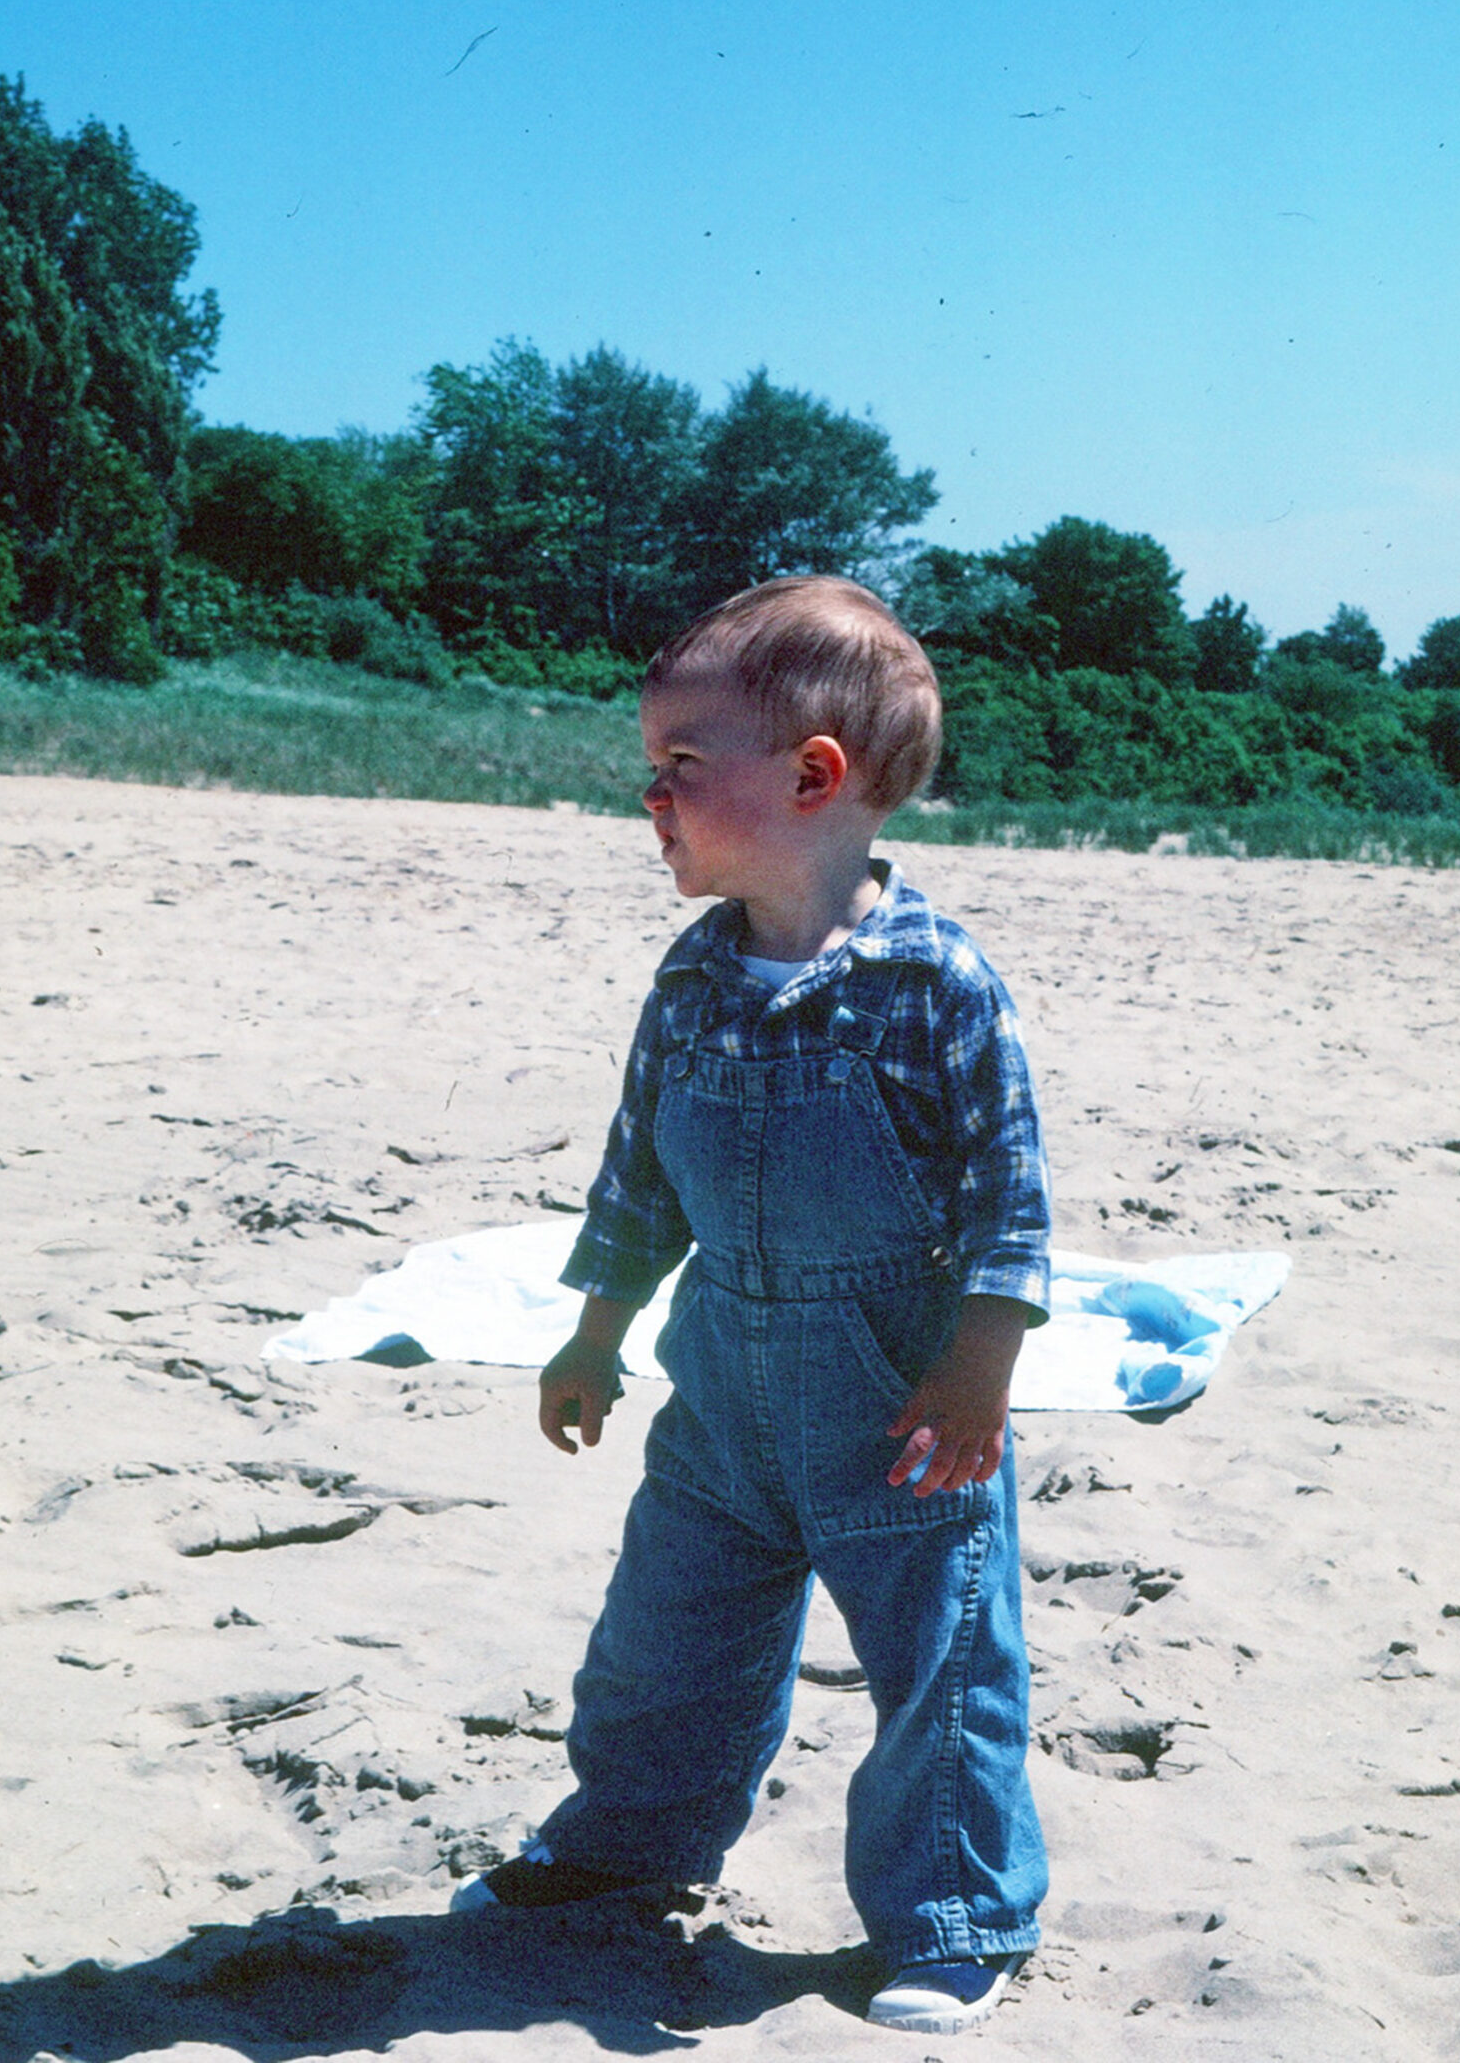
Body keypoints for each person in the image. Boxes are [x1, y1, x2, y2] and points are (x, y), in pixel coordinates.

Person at [455, 575, 1051, 2034]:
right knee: (666, 1641)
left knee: (941, 1667)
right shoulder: (695, 974)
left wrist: (978, 1370)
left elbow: (1008, 1200)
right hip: (721, 1386)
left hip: (899, 1408)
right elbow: (639, 1176)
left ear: (812, 778)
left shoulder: (935, 985)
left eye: (678, 764)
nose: (648, 797)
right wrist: (595, 1332)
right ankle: (625, 1848)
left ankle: (952, 1916)